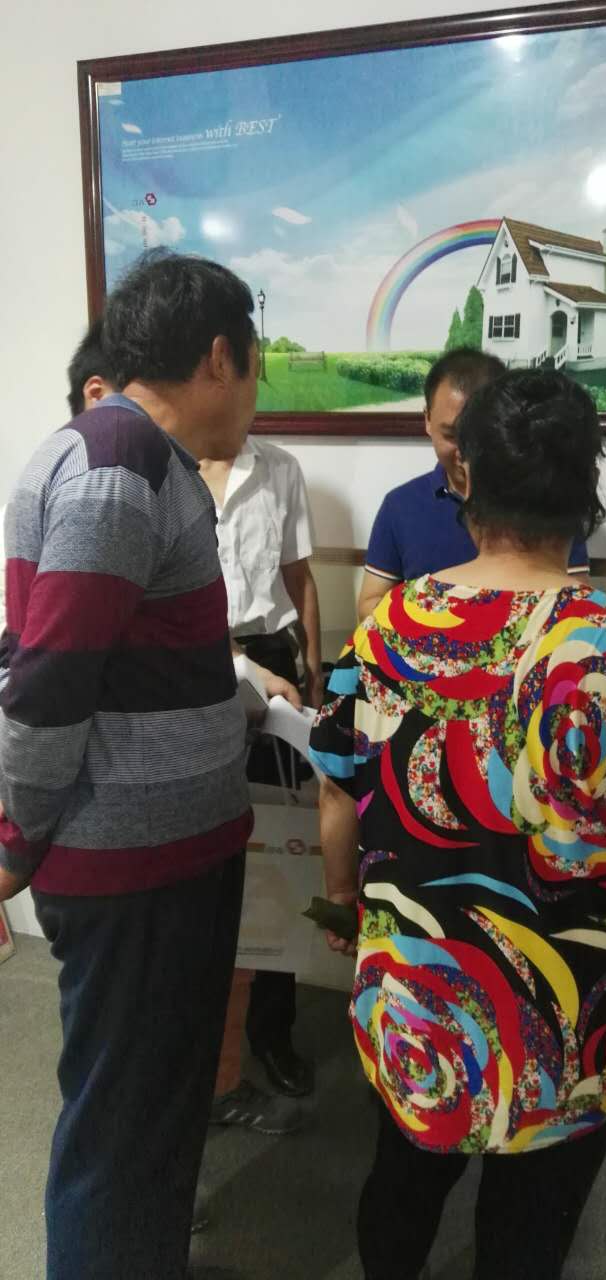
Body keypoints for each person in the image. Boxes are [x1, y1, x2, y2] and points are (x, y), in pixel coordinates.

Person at [310, 369, 606, 1280]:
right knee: (527, 1238)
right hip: (569, 1027)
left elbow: (337, 790)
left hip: (419, 1010)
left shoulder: (387, 629)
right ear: (584, 491)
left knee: (399, 1194)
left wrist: (341, 894)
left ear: (467, 479)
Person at [0, 249, 296, 1280]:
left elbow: (127, 656)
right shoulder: (119, 464)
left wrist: (244, 689)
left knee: (157, 1112)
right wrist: (14, 841)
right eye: (255, 369)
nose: (255, 397)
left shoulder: (133, 459)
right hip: (132, 868)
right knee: (123, 1132)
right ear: (219, 357)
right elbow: (50, 678)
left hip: (162, 855)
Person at [199, 434, 320, 1100]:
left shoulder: (280, 469)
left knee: (278, 846)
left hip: (274, 659)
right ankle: (203, 1036)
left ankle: (274, 1031)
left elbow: (300, 579)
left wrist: (314, 674)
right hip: (196, 662)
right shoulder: (161, 466)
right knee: (203, 850)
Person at [356, 348, 590, 622]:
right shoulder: (401, 505)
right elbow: (369, 604)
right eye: (451, 435)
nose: (464, 452)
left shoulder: (546, 496)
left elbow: (577, 601)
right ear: (427, 420)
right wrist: (437, 626)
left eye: (478, 436)